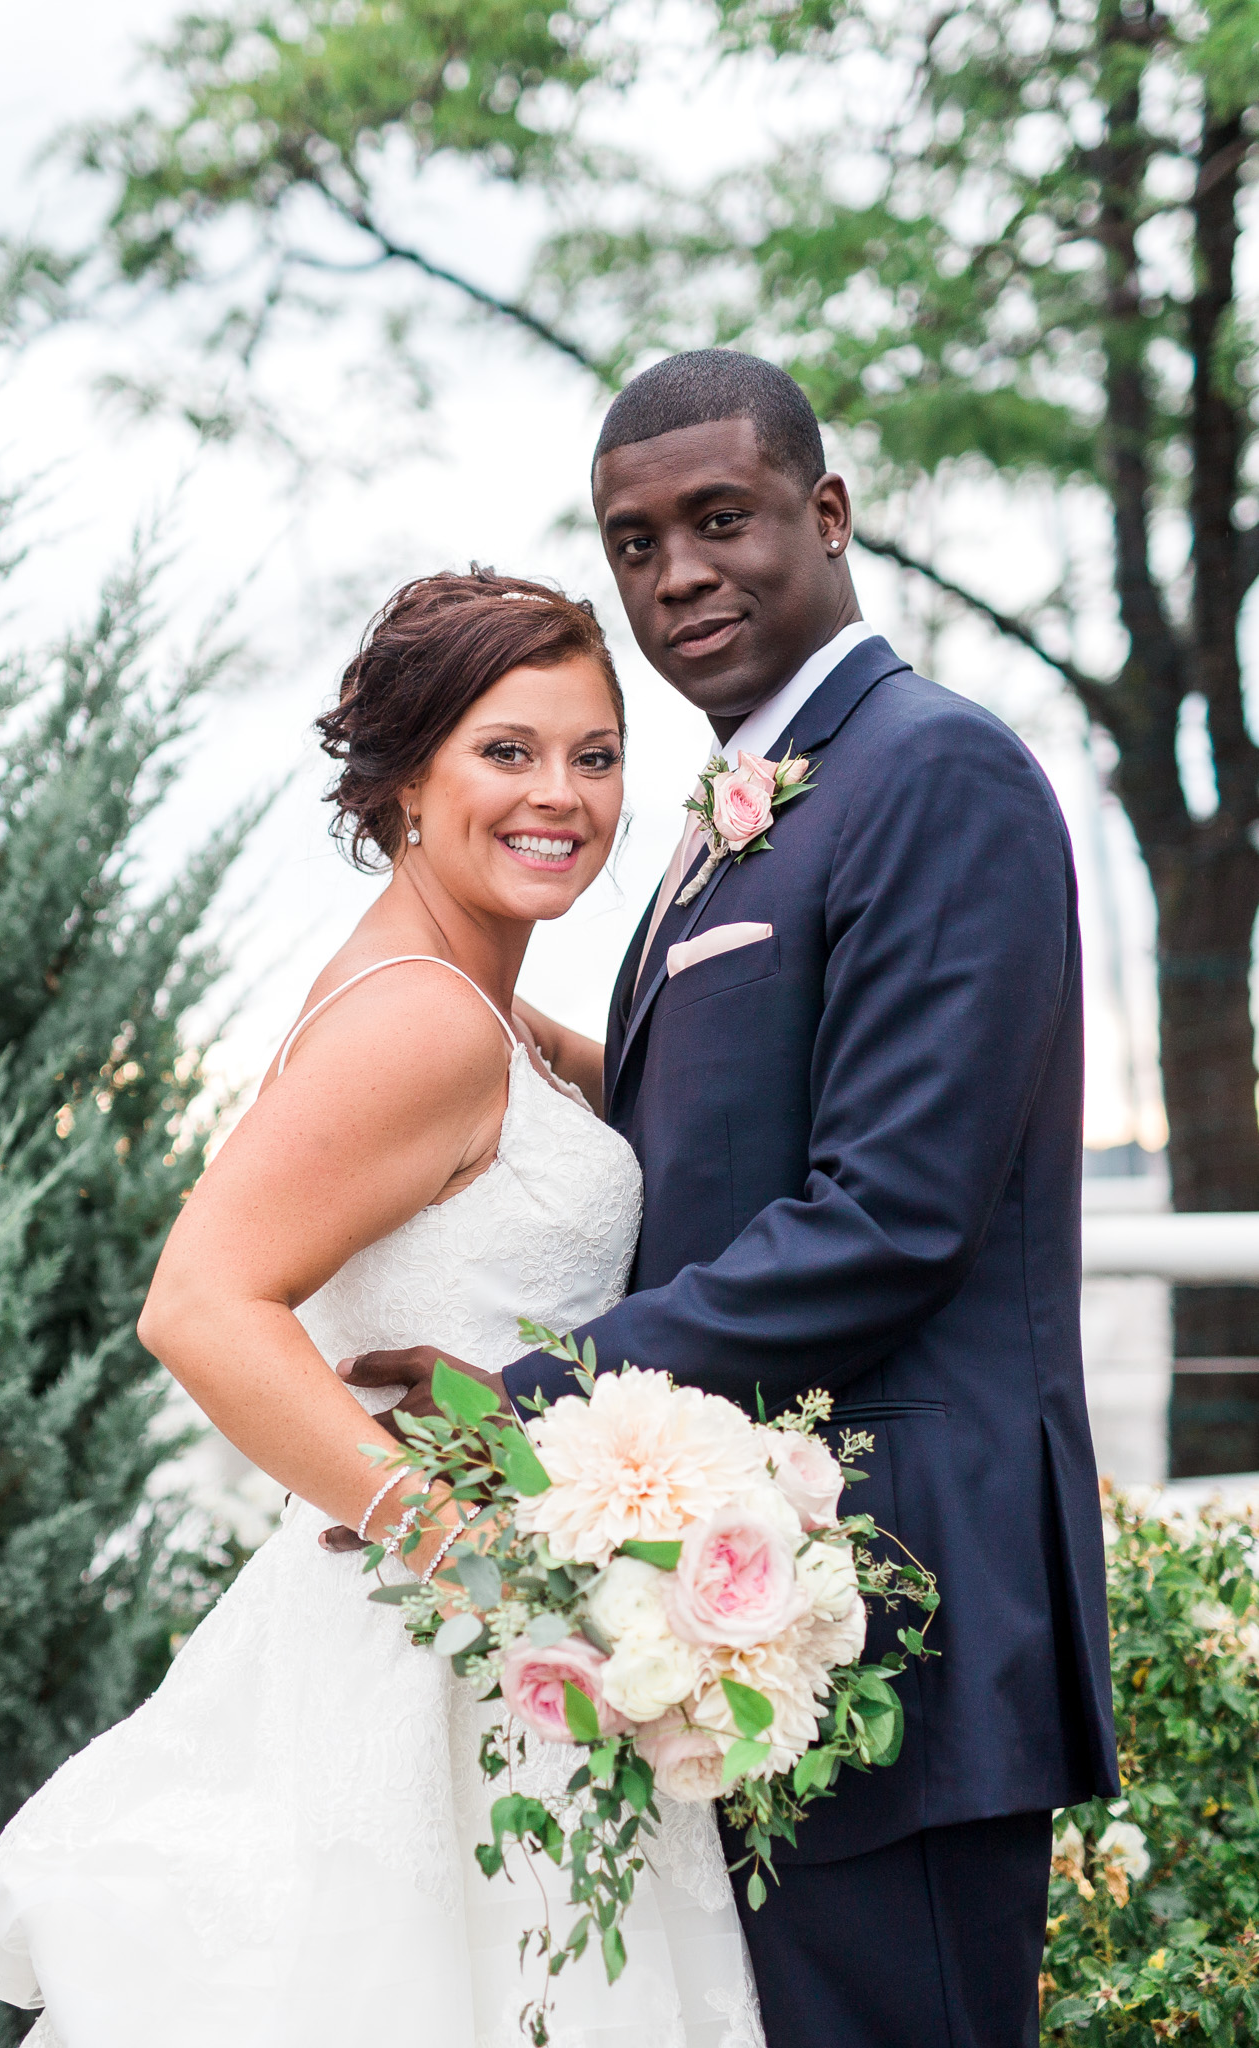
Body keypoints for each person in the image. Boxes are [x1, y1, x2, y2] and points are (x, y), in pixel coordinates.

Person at [337, 353, 1120, 2048]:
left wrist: (532, 1404)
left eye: (718, 521)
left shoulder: (935, 774)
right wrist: (467, 1039)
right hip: (734, 1600)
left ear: (824, 515)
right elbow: (703, 1134)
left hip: (895, 1604)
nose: (676, 574)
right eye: (634, 543)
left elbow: (891, 1215)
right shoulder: (739, 818)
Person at [0, 568, 763, 2048]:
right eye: (504, 752)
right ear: (401, 780)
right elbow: (198, 1306)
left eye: (594, 754)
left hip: (475, 1643)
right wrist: (475, 1554)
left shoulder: (482, 1010)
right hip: (437, 1655)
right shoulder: (420, 1021)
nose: (562, 796)